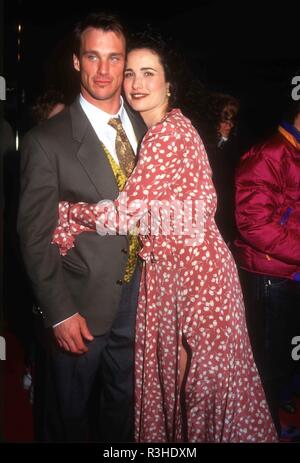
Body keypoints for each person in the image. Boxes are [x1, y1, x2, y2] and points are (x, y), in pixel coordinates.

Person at [52, 33, 278, 443]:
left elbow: (128, 213)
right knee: (186, 388)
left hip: (194, 274)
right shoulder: (169, 129)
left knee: (201, 391)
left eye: (148, 73)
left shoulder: (167, 134)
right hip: (176, 271)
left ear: (168, 83)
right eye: (131, 74)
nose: (137, 83)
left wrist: (69, 214)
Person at [17, 12, 147, 442]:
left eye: (115, 58)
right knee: (67, 418)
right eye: (93, 57)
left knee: (127, 414)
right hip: (80, 307)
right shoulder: (46, 141)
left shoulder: (151, 128)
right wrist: (60, 312)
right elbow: (33, 237)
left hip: (143, 300)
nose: (105, 70)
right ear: (77, 62)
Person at [235, 99, 300, 437]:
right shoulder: (269, 153)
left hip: (289, 272)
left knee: (285, 364)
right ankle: (264, 431)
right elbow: (253, 225)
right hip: (270, 277)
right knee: (268, 368)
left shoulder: (294, 151)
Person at [200, 93, 240, 245]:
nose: (229, 126)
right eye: (225, 120)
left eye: (232, 121)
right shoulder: (200, 145)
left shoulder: (234, 150)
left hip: (222, 220)